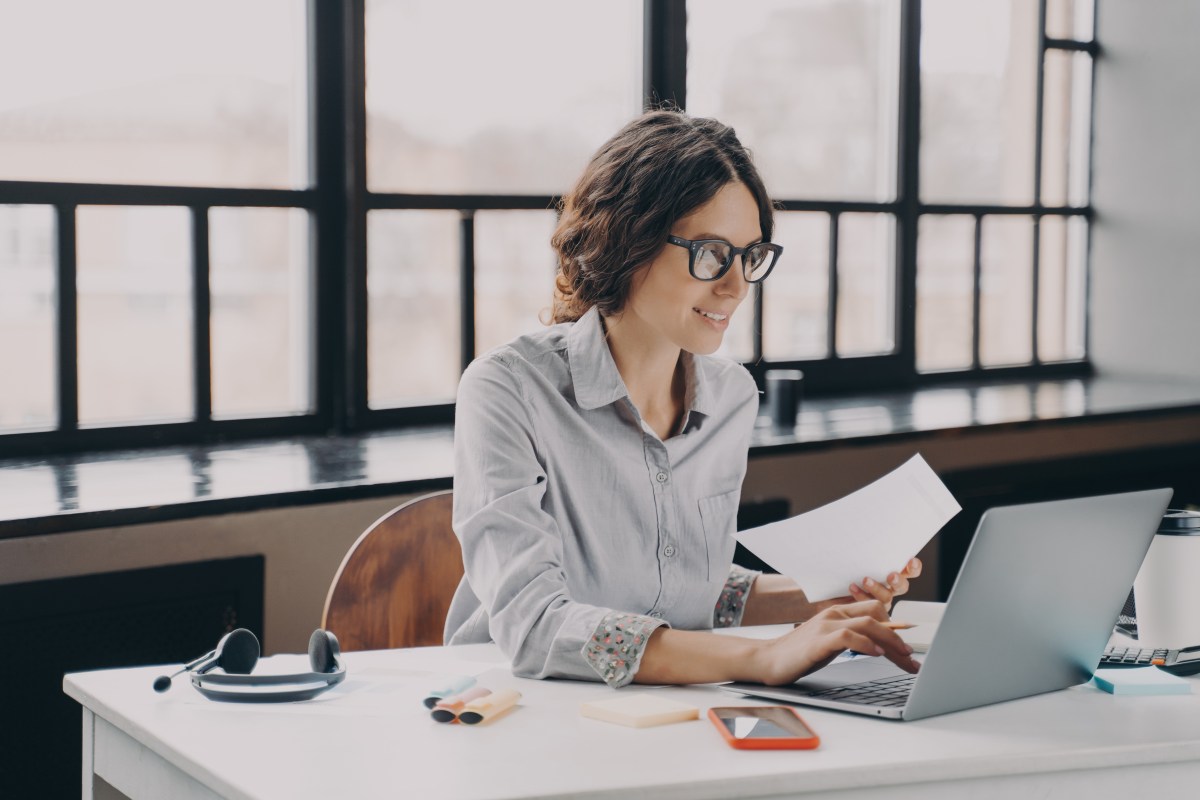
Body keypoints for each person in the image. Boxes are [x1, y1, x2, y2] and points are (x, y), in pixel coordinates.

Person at [444, 109, 922, 688]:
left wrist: (830, 596)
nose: (735, 286)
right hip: (512, 710)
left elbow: (687, 590)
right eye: (711, 253)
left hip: (667, 712)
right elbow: (534, 624)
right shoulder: (508, 389)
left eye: (749, 256)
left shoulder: (730, 398)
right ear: (629, 240)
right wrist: (764, 658)